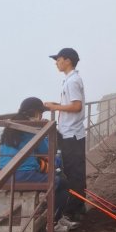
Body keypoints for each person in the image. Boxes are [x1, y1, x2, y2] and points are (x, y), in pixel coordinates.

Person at [0, 97, 76, 232]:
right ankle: (53, 223)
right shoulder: (31, 129)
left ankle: (57, 218)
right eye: (40, 113)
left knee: (57, 177)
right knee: (61, 183)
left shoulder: (12, 126)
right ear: (34, 113)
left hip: (6, 175)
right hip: (23, 176)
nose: (41, 116)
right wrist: (45, 130)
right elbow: (48, 151)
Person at [44, 47, 86, 222]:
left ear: (67, 60)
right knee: (74, 171)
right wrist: (58, 104)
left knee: (73, 173)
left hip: (72, 134)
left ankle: (73, 211)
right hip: (72, 133)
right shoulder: (70, 80)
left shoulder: (72, 81)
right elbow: (72, 104)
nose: (56, 62)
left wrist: (56, 107)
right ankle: (78, 206)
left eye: (58, 59)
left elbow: (77, 107)